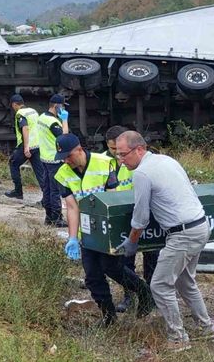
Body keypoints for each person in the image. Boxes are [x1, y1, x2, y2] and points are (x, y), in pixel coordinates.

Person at [116, 131, 214, 351]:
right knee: (185, 282)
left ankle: (178, 338)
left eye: (124, 155)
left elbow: (140, 217)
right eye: (118, 155)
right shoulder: (167, 159)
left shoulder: (142, 173)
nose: (121, 161)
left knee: (160, 285)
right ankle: (207, 328)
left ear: (139, 149)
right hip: (200, 225)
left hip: (183, 234)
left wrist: (132, 242)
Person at [54, 133, 154, 326]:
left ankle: (143, 291)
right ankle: (109, 317)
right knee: (92, 276)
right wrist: (72, 237)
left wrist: (111, 233)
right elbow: (72, 207)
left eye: (68, 156)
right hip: (86, 231)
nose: (66, 161)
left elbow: (112, 199)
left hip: (105, 228)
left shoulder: (104, 163)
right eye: (62, 158)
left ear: (79, 150)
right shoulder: (62, 174)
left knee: (112, 268)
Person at [102, 125, 159, 313]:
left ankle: (152, 294)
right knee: (125, 260)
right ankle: (130, 295)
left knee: (151, 256)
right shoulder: (105, 162)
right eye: (111, 149)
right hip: (123, 216)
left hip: (143, 213)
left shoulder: (138, 162)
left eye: (118, 150)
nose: (115, 154)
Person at [4, 94, 47, 200]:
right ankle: (46, 196)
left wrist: (26, 147)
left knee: (13, 163)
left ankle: (18, 192)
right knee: (39, 171)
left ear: (14, 104)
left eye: (12, 106)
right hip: (38, 145)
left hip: (28, 145)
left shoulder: (20, 114)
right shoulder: (33, 111)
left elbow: (25, 128)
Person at [38, 94, 69, 227]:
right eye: (62, 106)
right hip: (54, 160)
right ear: (56, 106)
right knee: (55, 190)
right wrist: (65, 120)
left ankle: (48, 217)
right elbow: (65, 137)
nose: (62, 109)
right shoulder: (53, 122)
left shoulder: (42, 117)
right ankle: (57, 218)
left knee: (47, 189)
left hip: (44, 158)